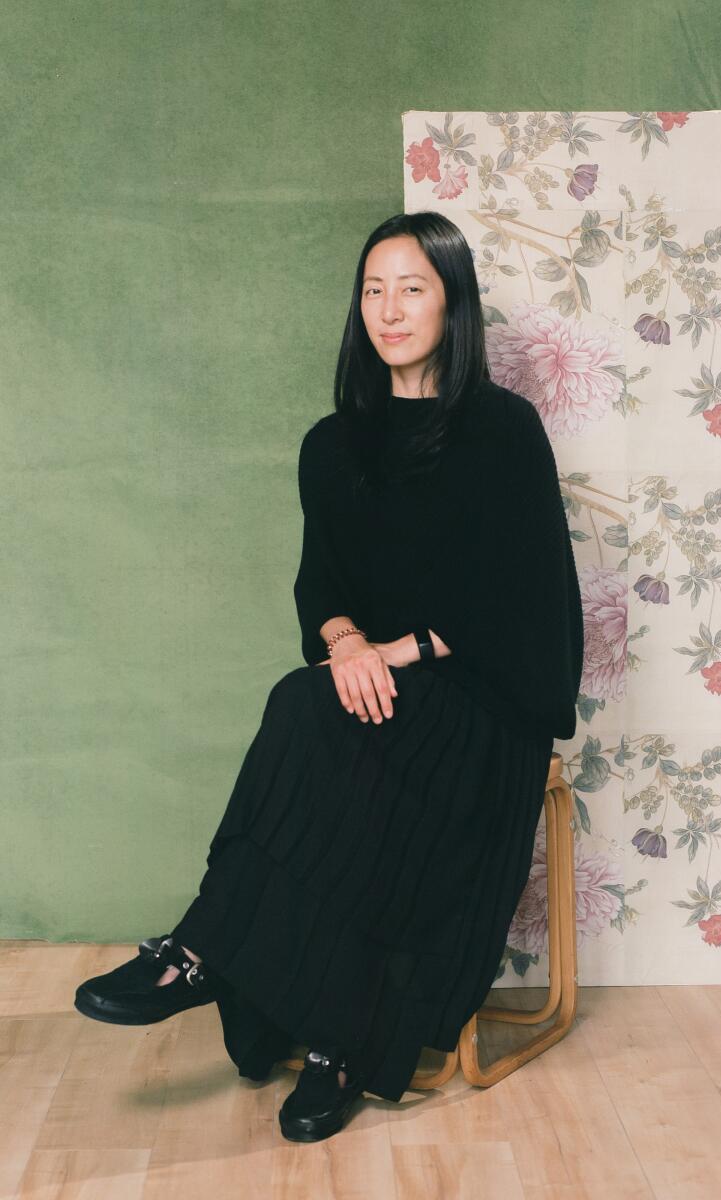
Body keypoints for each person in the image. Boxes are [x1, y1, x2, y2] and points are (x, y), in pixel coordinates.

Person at [74, 210, 585, 1144]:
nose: (390, 309)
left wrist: (407, 648)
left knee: (313, 713)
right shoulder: (332, 444)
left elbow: (527, 601)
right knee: (316, 701)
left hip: (483, 704)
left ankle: (209, 957)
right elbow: (323, 588)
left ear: (453, 302)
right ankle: (325, 1036)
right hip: (375, 697)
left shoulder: (503, 432)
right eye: (373, 289)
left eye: (414, 287)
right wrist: (347, 642)